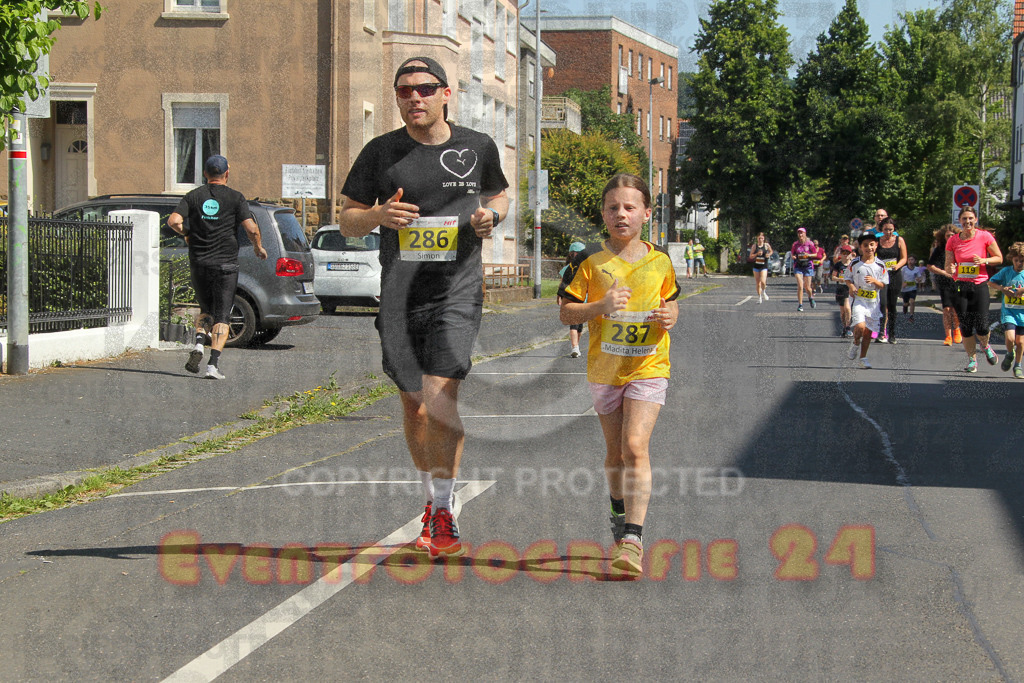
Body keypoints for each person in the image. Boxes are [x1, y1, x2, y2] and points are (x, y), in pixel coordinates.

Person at [337, 56, 510, 558]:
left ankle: (442, 509)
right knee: (414, 405)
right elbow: (346, 220)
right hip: (399, 299)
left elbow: (499, 195)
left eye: (425, 89)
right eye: (405, 90)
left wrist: (489, 217)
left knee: (440, 397)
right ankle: (433, 498)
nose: (415, 98)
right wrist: (376, 214)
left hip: (456, 291)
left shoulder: (477, 147)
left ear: (446, 93)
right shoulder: (380, 153)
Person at [559, 173, 680, 579]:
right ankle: (617, 508)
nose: (621, 214)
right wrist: (601, 306)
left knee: (634, 446)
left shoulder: (660, 260)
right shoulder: (589, 260)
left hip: (649, 365)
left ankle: (633, 538)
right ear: (604, 214)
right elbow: (566, 313)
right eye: (613, 207)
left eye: (630, 207)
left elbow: (673, 304)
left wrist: (670, 316)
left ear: (647, 213)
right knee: (614, 454)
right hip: (606, 369)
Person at [167, 155, 267, 380]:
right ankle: (213, 365)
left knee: (205, 309)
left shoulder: (193, 196)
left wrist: (187, 234)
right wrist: (258, 247)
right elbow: (251, 229)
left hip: (199, 263)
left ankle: (199, 345)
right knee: (222, 315)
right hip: (225, 265)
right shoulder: (235, 198)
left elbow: (173, 221)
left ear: (205, 174)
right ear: (227, 174)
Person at [945, 205, 1003, 373]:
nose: (967, 221)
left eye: (970, 218)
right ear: (959, 220)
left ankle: (985, 346)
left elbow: (998, 258)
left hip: (980, 285)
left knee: (982, 325)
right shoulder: (953, 240)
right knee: (966, 326)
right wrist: (951, 269)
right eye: (964, 219)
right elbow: (948, 265)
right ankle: (972, 360)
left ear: (975, 220)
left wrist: (984, 261)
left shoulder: (985, 236)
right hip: (961, 286)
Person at [846, 231, 889, 369]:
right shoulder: (855, 263)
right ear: (861, 247)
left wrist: (875, 281)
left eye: (871, 244)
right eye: (865, 245)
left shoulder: (881, 265)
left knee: (868, 332)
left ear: (876, 246)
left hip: (873, 303)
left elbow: (883, 284)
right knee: (860, 326)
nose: (869, 248)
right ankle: (855, 342)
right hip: (858, 300)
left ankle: (863, 358)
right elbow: (847, 278)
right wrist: (851, 286)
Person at [988, 242, 1024, 378]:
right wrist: (1002, 289)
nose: (1019, 263)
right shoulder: (1007, 271)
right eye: (1016, 260)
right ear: (1012, 259)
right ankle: (1010, 354)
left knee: (1020, 342)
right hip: (1009, 311)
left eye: (1022, 261)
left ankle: (1018, 365)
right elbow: (991, 282)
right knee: (1010, 338)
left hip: (1023, 313)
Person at [927, 224, 962, 346]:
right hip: (943, 281)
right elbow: (930, 266)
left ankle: (957, 330)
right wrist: (944, 273)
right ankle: (948, 336)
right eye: (948, 235)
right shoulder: (940, 249)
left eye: (952, 235)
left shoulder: (960, 247)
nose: (950, 237)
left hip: (958, 281)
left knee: (956, 309)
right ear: (944, 237)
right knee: (947, 308)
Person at [874, 216, 907, 343]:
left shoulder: (899, 240)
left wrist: (897, 266)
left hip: (894, 275)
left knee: (892, 305)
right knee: (882, 304)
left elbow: (904, 258)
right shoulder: (877, 240)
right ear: (881, 229)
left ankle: (892, 334)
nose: (888, 232)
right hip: (881, 276)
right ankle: (881, 332)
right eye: (886, 229)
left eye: (891, 230)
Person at [559, 241, 587, 357]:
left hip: (584, 300)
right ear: (573, 254)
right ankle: (575, 347)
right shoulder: (567, 268)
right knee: (574, 324)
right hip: (571, 299)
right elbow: (562, 283)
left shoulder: (586, 268)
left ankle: (576, 346)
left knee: (579, 325)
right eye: (578, 253)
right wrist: (560, 296)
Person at [791, 227, 818, 311]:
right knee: (800, 285)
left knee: (807, 287)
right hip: (798, 266)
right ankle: (800, 305)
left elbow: (815, 254)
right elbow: (792, 255)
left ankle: (811, 297)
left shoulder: (810, 244)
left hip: (808, 266)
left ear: (805, 234)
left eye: (802, 233)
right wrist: (794, 256)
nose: (800, 234)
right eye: (799, 233)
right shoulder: (795, 245)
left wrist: (808, 255)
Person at [832, 244, 856, 337]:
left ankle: (848, 327)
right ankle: (844, 327)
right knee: (842, 312)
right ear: (841, 254)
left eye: (847, 253)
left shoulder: (853, 265)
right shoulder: (838, 265)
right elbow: (833, 277)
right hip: (840, 289)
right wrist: (840, 279)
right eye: (843, 253)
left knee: (847, 307)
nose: (845, 255)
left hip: (849, 288)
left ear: (851, 254)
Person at [748, 232, 773, 303]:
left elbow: (771, 251)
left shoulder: (766, 245)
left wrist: (768, 254)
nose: (760, 240)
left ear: (764, 238)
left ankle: (764, 291)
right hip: (756, 266)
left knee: (763, 281)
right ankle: (759, 297)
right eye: (759, 238)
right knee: (758, 283)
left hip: (764, 266)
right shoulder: (754, 246)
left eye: (761, 238)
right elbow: (750, 256)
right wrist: (756, 254)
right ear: (757, 239)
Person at [900, 255, 926, 322]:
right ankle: (905, 306)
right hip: (904, 289)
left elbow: (919, 278)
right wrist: (902, 283)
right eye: (909, 260)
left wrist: (919, 279)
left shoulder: (917, 269)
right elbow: (900, 277)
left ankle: (911, 316)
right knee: (906, 303)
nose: (910, 261)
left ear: (915, 261)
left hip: (913, 288)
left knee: (912, 301)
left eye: (912, 260)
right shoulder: (904, 269)